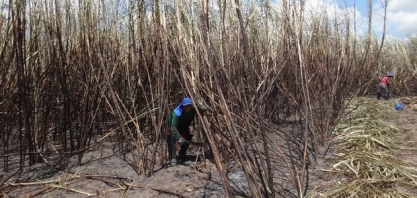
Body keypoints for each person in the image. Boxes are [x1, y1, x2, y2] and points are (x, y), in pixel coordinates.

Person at [166, 97, 207, 164]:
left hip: (184, 126)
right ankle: (173, 157)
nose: (187, 108)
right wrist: (179, 137)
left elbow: (199, 109)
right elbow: (173, 127)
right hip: (174, 127)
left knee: (187, 137)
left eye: (189, 106)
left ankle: (182, 154)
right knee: (171, 138)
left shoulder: (193, 108)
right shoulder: (177, 113)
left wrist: (202, 108)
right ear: (182, 106)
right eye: (185, 106)